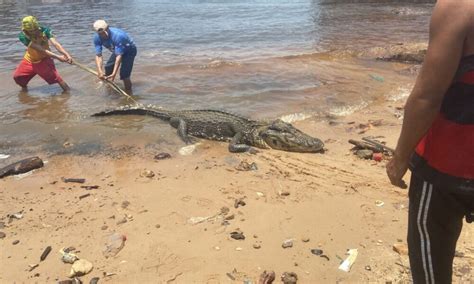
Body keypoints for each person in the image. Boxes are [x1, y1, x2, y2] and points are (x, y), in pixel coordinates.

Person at [386, 1, 474, 283]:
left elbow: (427, 95)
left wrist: (400, 158)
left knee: (431, 268)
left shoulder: (459, 7)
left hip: (445, 165)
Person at [13, 16, 72, 92]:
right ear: (25, 29)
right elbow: (40, 49)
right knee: (18, 77)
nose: (33, 32)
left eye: (34, 29)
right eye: (30, 31)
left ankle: (68, 93)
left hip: (44, 59)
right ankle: (24, 90)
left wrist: (67, 55)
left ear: (37, 26)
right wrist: (58, 57)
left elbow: (55, 44)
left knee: (57, 78)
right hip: (29, 59)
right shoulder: (23, 36)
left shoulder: (45, 30)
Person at [92, 19, 137, 92]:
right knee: (108, 67)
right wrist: (99, 71)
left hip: (129, 50)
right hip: (117, 49)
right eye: (101, 33)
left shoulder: (118, 36)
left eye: (105, 31)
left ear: (108, 27)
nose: (104, 34)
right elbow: (98, 55)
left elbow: (118, 57)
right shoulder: (97, 38)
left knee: (124, 75)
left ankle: (129, 93)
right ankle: (110, 88)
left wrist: (114, 73)